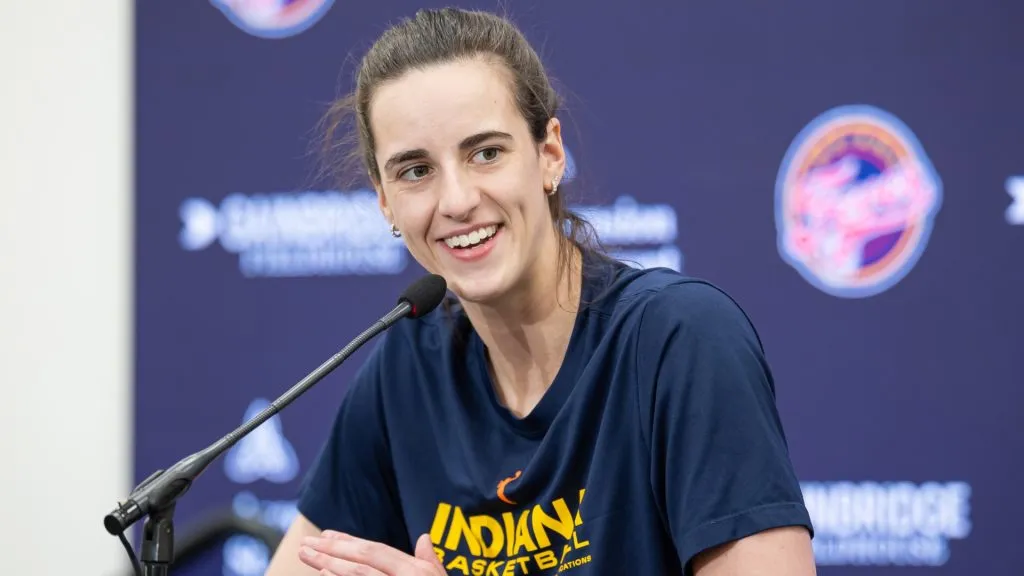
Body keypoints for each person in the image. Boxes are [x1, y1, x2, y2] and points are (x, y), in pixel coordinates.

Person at [265, 7, 816, 576]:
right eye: (414, 171)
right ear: (385, 202)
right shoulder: (406, 369)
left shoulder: (681, 341)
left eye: (486, 153)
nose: (455, 200)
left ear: (549, 154)